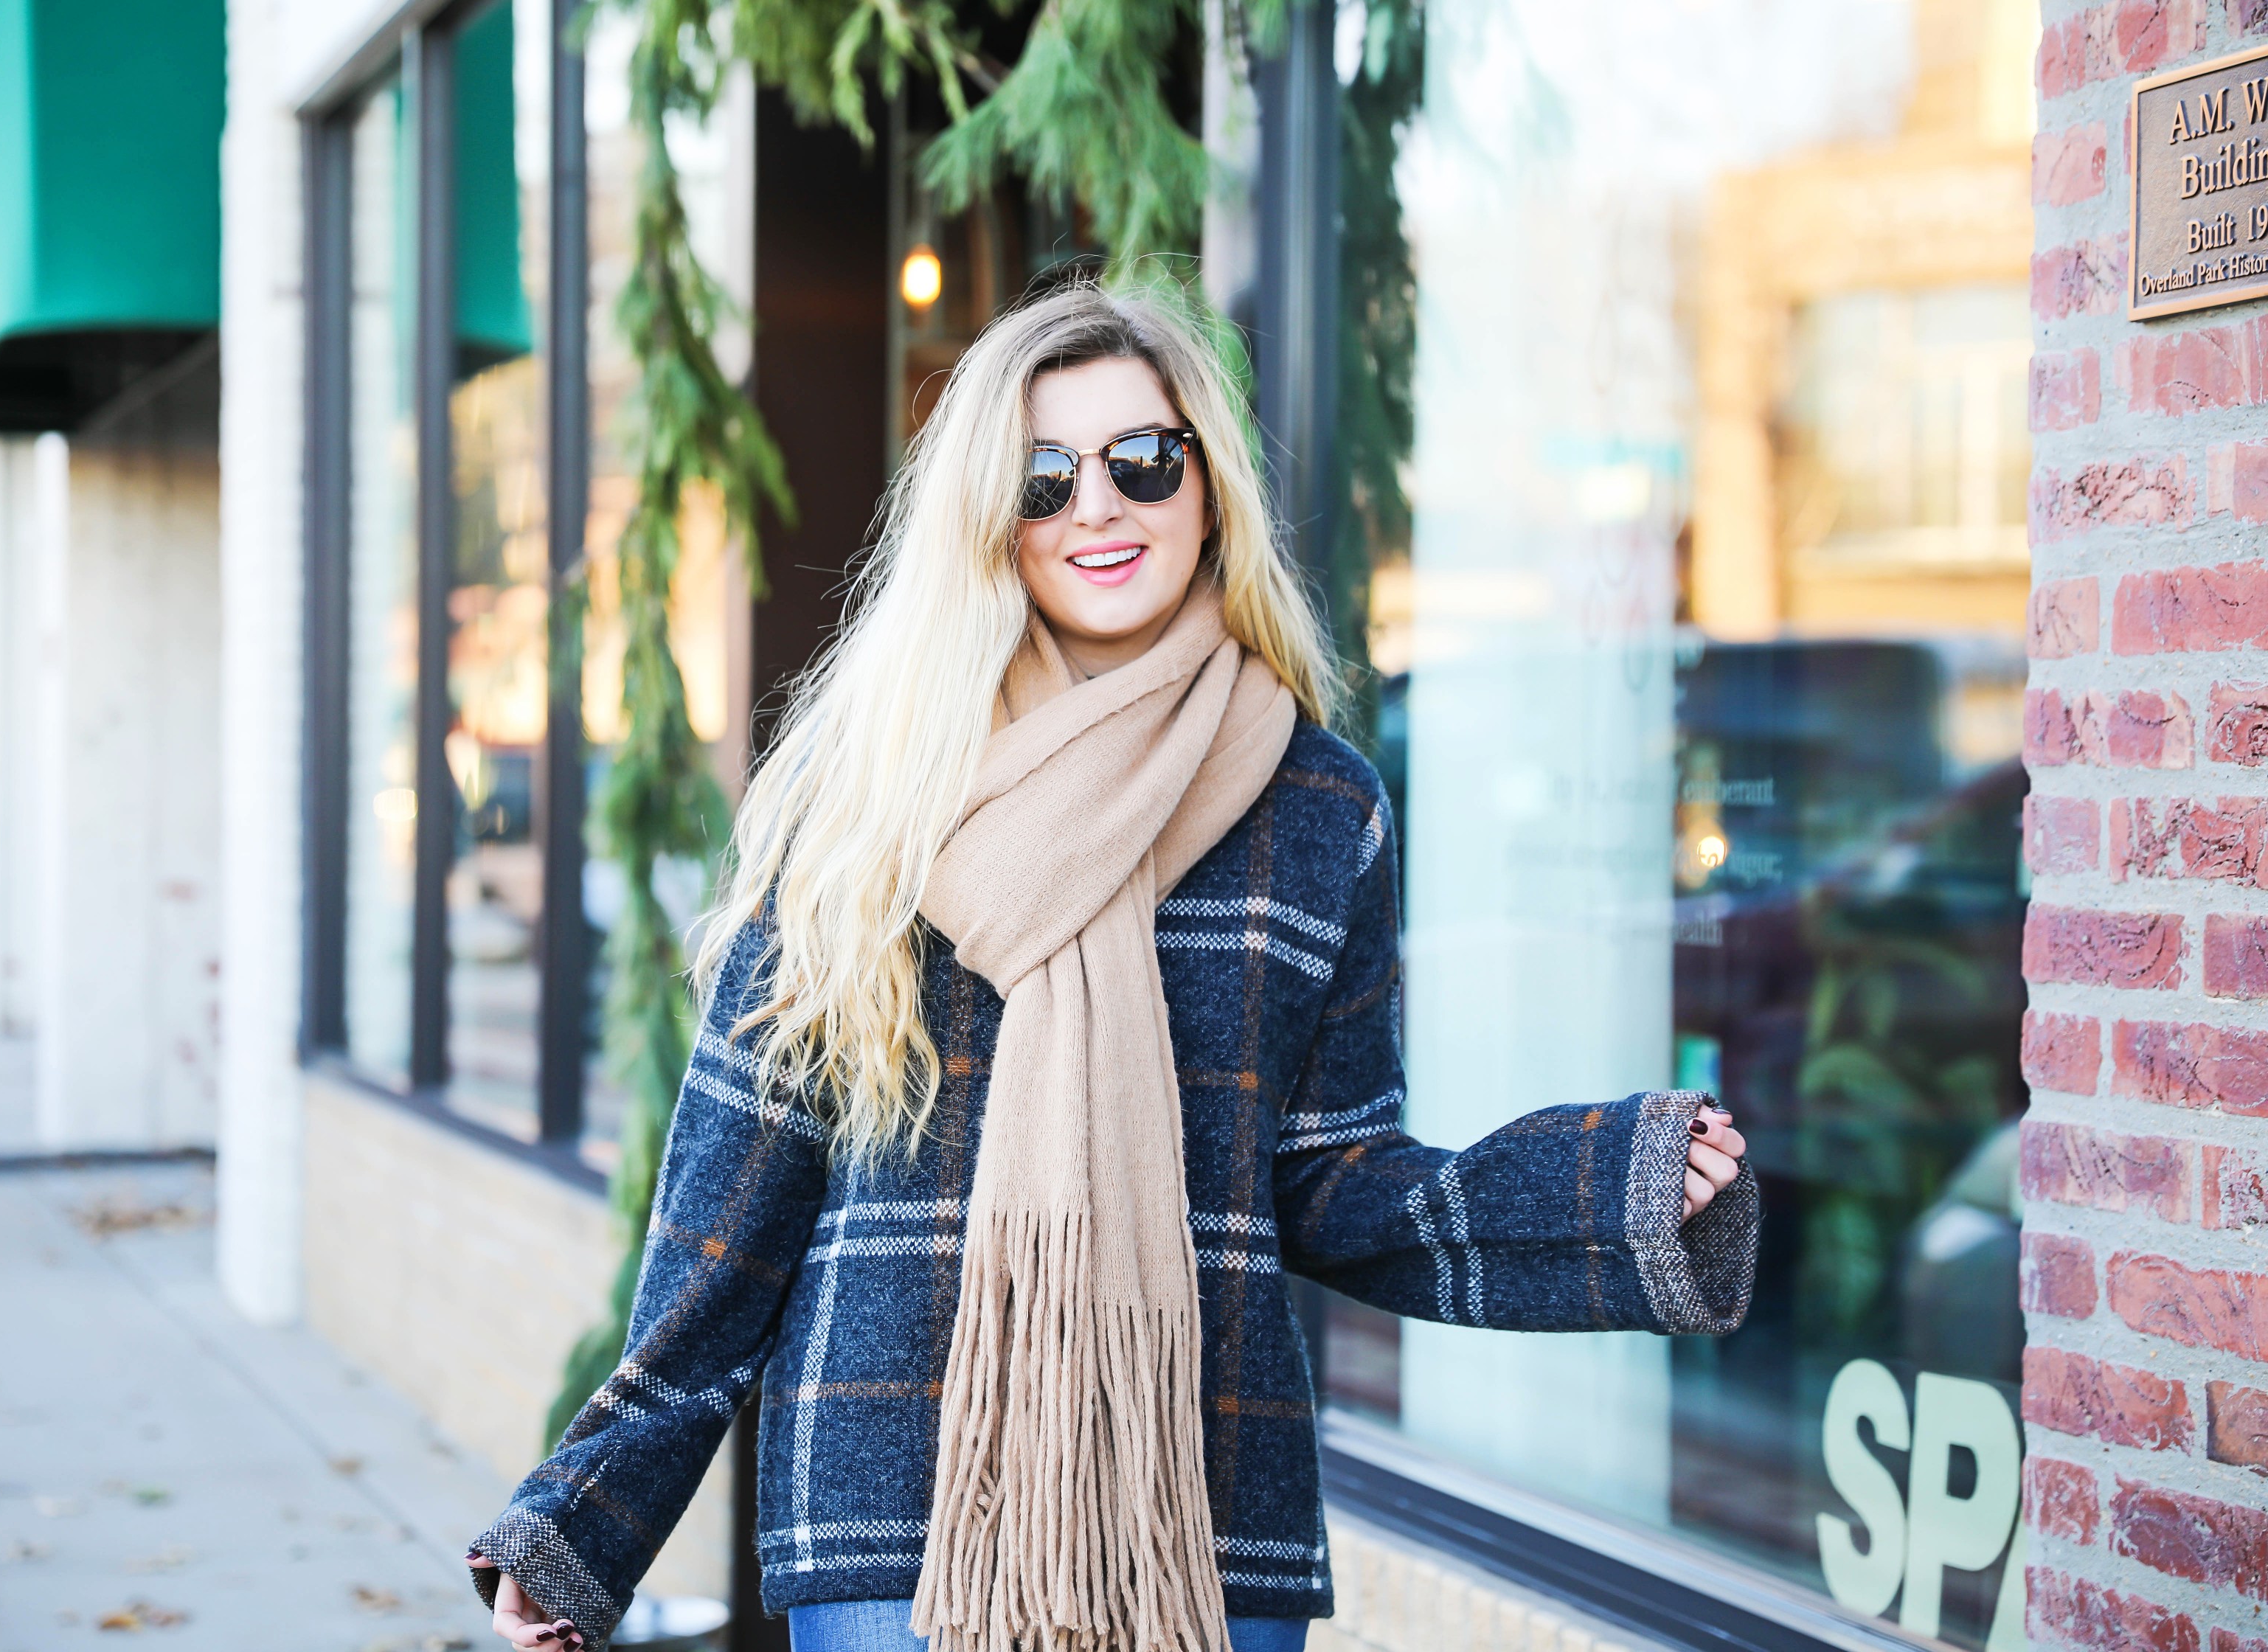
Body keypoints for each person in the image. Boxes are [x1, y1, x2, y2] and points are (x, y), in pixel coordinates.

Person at [464, 279, 1757, 1652]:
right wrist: (585, 1521)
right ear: (988, 518)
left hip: (1194, 1506)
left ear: (1208, 485)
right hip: (898, 1509)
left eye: (1142, 460)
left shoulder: (1319, 807)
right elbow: (738, 1197)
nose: (1098, 506)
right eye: (1041, 477)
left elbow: (1330, 1185)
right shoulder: (877, 792)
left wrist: (1596, 1188)